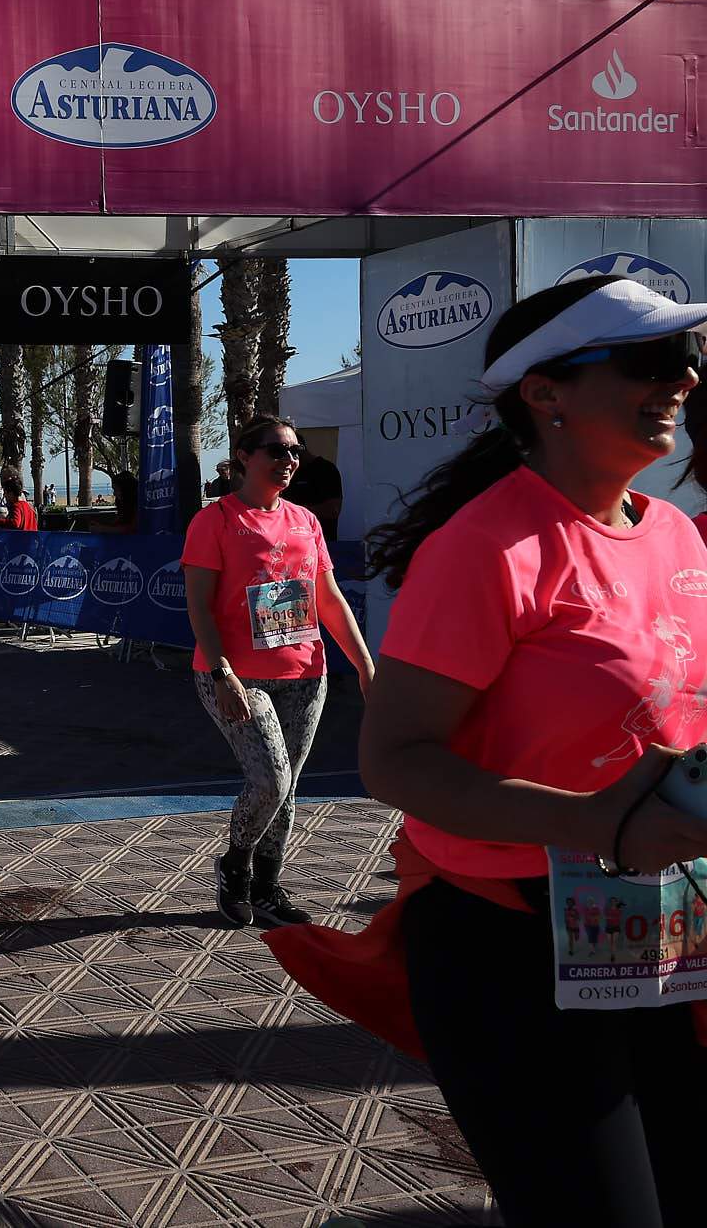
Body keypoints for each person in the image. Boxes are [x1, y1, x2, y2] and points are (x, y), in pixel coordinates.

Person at [264, 277, 707, 1227]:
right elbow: (397, 760)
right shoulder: (488, 548)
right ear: (544, 393)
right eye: (649, 360)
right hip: (508, 945)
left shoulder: (672, 533)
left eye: (687, 356)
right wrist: (593, 822)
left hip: (660, 937)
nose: (683, 377)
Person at [183, 414, 372, 929]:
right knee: (270, 780)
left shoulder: (304, 521)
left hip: (305, 671)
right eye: (276, 450)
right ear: (244, 457)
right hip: (235, 676)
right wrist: (222, 673)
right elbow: (198, 605)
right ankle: (235, 865)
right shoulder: (215, 521)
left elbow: (326, 598)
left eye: (295, 450)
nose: (288, 460)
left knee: (290, 786)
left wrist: (364, 663)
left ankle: (267, 887)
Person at [281, 444, 344, 535]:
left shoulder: (325, 469)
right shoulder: (286, 473)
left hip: (321, 536)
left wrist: (297, 513)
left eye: (292, 452)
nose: (288, 460)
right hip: (289, 536)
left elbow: (333, 510)